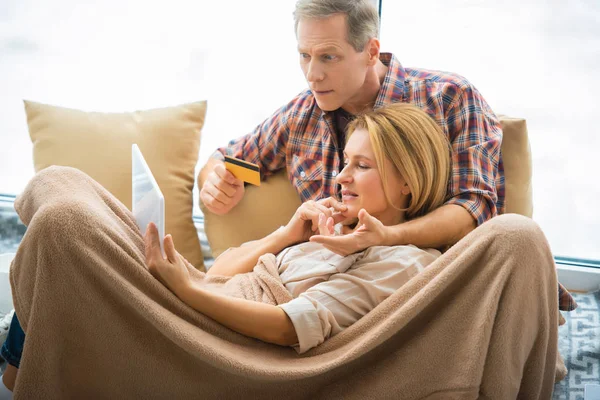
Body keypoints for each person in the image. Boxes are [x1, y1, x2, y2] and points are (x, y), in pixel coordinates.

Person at [0, 103, 450, 395]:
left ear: (408, 182)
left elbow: (289, 328)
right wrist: (288, 233)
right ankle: (20, 360)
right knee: (60, 182)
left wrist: (186, 291)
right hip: (210, 294)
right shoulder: (335, 227)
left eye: (361, 166)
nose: (341, 177)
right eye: (344, 162)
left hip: (221, 337)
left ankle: (16, 365)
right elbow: (223, 271)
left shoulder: (405, 262)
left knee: (65, 225)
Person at [199, 0, 502, 255]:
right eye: (305, 55)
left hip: (427, 290)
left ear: (371, 52)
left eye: (329, 57)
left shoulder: (450, 99)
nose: (312, 75)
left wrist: (386, 236)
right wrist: (216, 179)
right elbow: (230, 161)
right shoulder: (299, 116)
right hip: (331, 292)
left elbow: (475, 211)